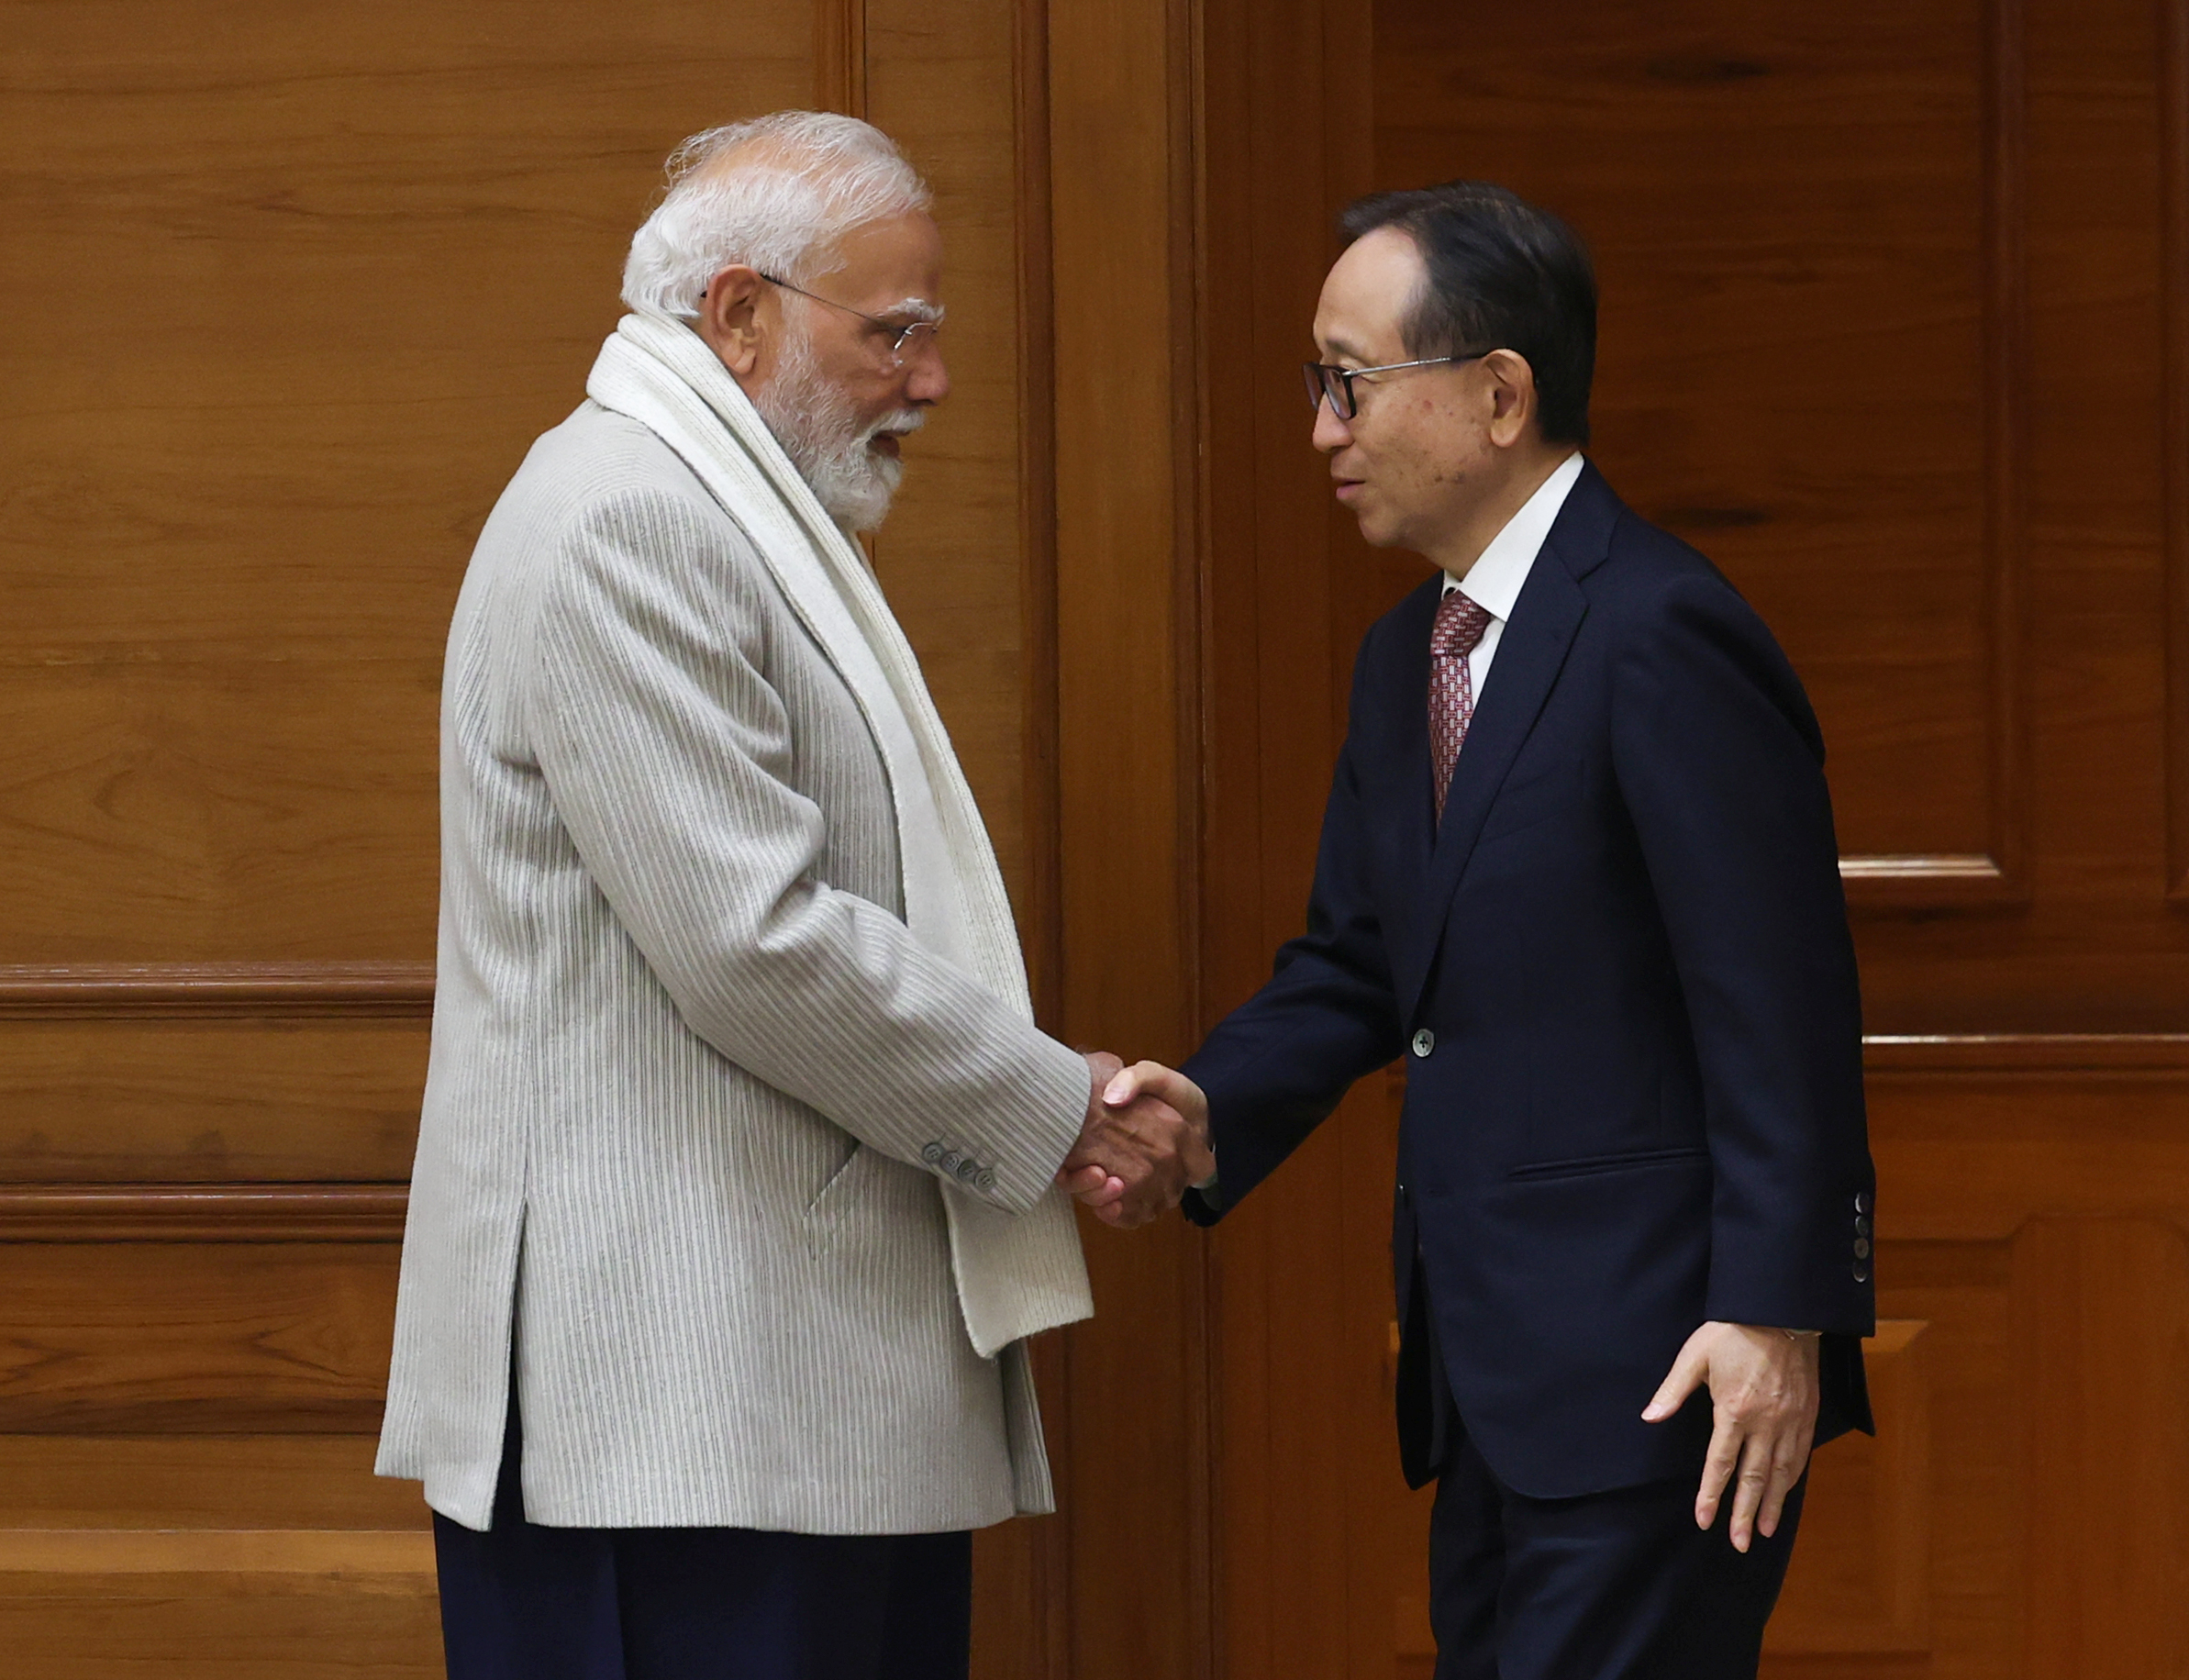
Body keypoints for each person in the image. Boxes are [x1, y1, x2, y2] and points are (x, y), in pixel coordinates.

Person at [376, 112, 1207, 1680]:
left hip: (772, 1409)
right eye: (896, 331)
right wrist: (1062, 1110)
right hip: (674, 1425)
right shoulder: (629, 517)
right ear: (740, 312)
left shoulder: (718, 502)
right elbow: (751, 944)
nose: (932, 378)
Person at [1087, 183, 1877, 1677]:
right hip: (1492, 1386)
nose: (1321, 429)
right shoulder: (1412, 654)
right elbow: (1362, 963)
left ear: (1500, 394)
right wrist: (1202, 1108)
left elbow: (1778, 1001)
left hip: (1672, 1378)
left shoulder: (1662, 627)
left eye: (1350, 382)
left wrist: (1779, 1316)